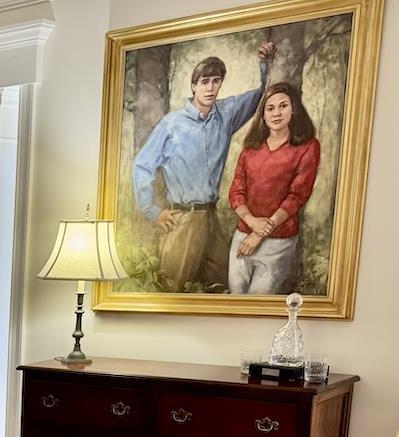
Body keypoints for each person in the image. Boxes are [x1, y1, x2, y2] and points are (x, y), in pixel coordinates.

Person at [132, 41, 276, 292]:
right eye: (205, 82)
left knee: (221, 287)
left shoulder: (226, 114)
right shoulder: (172, 124)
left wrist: (264, 66)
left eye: (216, 81)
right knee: (171, 292)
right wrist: (153, 212)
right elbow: (142, 166)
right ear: (194, 86)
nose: (210, 88)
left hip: (211, 219)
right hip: (183, 220)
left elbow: (258, 98)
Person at [227, 82, 321, 295]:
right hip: (243, 236)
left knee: (257, 304)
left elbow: (297, 196)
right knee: (236, 297)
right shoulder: (250, 149)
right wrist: (252, 224)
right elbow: (236, 192)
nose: (276, 113)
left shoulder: (308, 147)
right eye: (270, 108)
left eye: (283, 106)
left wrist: (260, 234)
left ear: (294, 108)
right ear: (263, 114)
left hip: (279, 241)